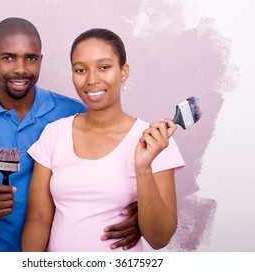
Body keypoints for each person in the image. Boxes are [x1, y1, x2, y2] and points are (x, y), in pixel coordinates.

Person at [0, 18, 141, 252]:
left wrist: (138, 215)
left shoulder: (74, 113)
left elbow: (111, 176)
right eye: (8, 58)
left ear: (41, 60)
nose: (21, 69)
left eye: (31, 58)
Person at [22, 28, 185, 252]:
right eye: (80, 70)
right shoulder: (54, 134)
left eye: (104, 67)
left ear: (124, 72)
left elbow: (160, 239)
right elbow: (38, 218)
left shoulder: (154, 142)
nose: (91, 79)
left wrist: (143, 168)